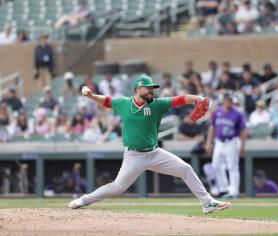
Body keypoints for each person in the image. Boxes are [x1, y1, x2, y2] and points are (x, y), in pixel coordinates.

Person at [69, 74, 230, 213]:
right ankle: (84, 200)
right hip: (134, 156)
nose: (152, 91)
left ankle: (207, 202)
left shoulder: (157, 104)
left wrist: (199, 98)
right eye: (149, 88)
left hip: (154, 153)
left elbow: (181, 99)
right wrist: (90, 95)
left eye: (153, 88)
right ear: (139, 88)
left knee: (185, 169)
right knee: (118, 187)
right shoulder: (124, 103)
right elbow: (105, 101)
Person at [205, 93, 246, 198]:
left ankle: (233, 191)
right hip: (219, 141)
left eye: (231, 100)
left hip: (231, 141)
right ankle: (223, 189)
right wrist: (209, 142)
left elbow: (243, 130)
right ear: (224, 100)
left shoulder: (237, 113)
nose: (230, 102)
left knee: (232, 167)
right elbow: (212, 127)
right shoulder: (217, 111)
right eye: (228, 100)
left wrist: (242, 146)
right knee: (216, 165)